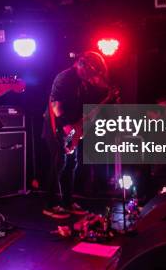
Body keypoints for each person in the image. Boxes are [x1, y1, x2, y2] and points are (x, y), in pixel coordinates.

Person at [42, 51, 113, 219]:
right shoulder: (65, 77)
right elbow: (56, 105)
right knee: (58, 164)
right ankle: (49, 205)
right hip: (57, 127)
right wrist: (67, 127)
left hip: (70, 128)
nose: (92, 77)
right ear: (82, 65)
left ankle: (67, 202)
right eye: (91, 72)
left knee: (70, 164)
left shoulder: (83, 82)